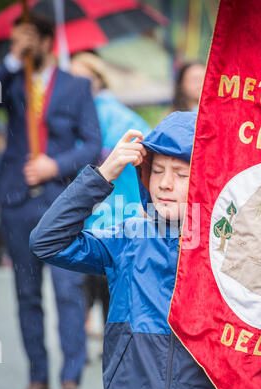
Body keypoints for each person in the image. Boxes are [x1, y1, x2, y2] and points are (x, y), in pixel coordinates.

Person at [29, 112, 259, 389]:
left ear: (208, 179)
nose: (165, 183)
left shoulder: (234, 246)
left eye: (181, 174)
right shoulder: (126, 237)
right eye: (157, 170)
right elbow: (46, 242)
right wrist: (103, 174)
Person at [0, 13, 102, 389]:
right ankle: (37, 378)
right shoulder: (10, 82)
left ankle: (70, 376)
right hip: (16, 202)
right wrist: (11, 60)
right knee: (27, 294)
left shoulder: (76, 86)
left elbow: (92, 144)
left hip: (60, 202)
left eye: (26, 37)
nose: (21, 43)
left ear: (45, 40)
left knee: (67, 290)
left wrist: (54, 165)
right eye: (14, 37)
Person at [70, 53, 151, 339]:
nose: (74, 81)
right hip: (102, 206)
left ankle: (108, 331)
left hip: (113, 205)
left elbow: (145, 142)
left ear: (98, 77)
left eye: (81, 74)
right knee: (97, 273)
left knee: (103, 272)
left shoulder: (111, 112)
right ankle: (102, 329)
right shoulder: (80, 110)